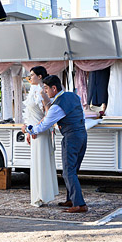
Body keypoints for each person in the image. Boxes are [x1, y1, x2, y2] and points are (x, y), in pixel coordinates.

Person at [22, 75, 88, 213]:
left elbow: (45, 125)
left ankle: (79, 204)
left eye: (46, 88)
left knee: (68, 171)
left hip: (71, 137)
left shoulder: (57, 106)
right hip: (81, 134)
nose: (45, 92)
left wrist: (28, 129)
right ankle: (71, 199)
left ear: (54, 88)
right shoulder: (73, 96)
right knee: (73, 169)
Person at [22, 66, 59, 207]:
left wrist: (35, 129)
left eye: (32, 75)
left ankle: (42, 195)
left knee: (41, 161)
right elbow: (29, 114)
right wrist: (27, 130)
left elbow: (48, 115)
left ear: (39, 76)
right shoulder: (32, 90)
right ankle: (38, 194)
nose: (30, 77)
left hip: (40, 132)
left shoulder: (42, 93)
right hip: (33, 131)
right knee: (36, 162)